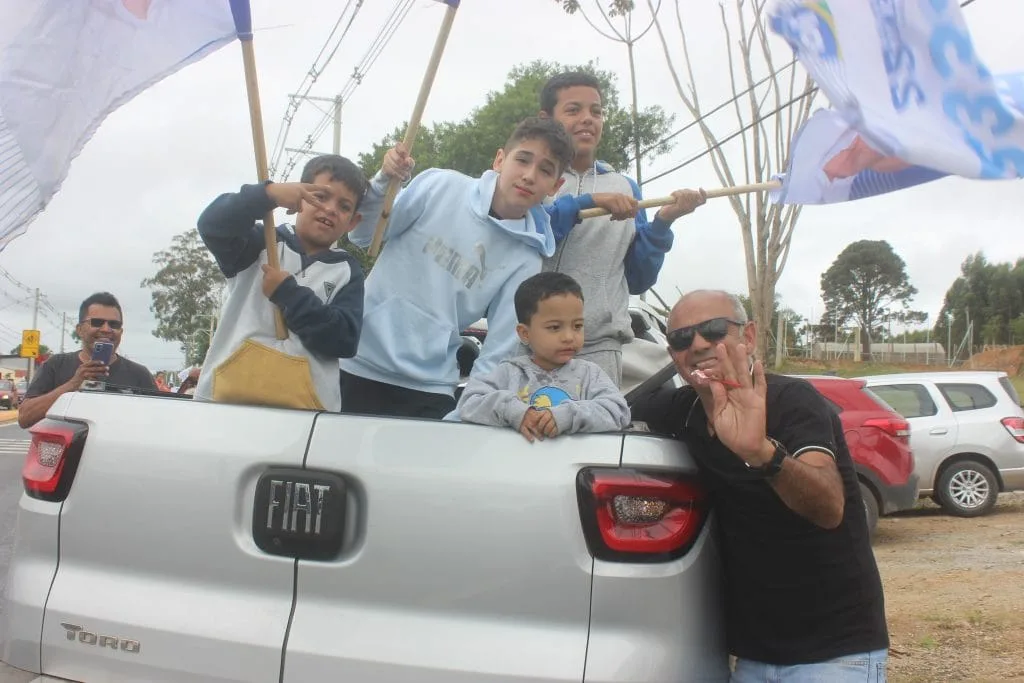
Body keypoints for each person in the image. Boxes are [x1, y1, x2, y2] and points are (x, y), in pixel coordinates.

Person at [630, 290, 889, 682]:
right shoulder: (682, 412)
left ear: (748, 337)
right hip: (752, 656)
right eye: (682, 338)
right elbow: (606, 410)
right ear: (673, 356)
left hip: (835, 652)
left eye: (713, 330)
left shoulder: (792, 401)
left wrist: (762, 453)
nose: (697, 344)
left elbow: (829, 506)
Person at [339, 117, 576, 419]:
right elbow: (361, 235)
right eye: (523, 160)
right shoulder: (440, 185)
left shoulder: (528, 259)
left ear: (556, 186)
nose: (529, 176)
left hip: (429, 389)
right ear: (500, 160)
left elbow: (499, 352)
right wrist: (384, 180)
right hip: (352, 360)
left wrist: (464, 415)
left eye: (545, 170)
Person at [537, 71, 708, 386]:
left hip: (600, 348)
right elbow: (534, 236)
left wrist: (663, 223)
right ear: (546, 119)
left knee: (597, 419)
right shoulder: (532, 178)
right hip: (529, 345)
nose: (588, 119)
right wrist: (586, 202)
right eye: (573, 110)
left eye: (596, 111)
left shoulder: (625, 187)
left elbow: (638, 279)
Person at [195, 154, 367, 412]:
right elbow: (211, 225)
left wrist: (288, 294)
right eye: (321, 196)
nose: (331, 209)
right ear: (298, 197)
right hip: (225, 402)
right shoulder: (259, 242)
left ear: (353, 222)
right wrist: (268, 194)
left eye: (344, 206)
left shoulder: (348, 272)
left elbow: (344, 339)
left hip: (306, 415)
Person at [451, 272, 630, 441]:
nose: (569, 337)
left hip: (573, 463)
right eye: (555, 327)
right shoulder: (509, 373)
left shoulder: (590, 374)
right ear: (525, 333)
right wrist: (513, 411)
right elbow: (469, 403)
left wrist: (568, 415)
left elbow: (618, 412)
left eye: (577, 326)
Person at [18, 292, 156, 428]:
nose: (106, 329)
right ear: (79, 329)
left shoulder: (140, 374)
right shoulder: (55, 365)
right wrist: (73, 384)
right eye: (97, 322)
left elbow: (157, 421)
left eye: (114, 324)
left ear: (121, 331)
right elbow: (24, 418)